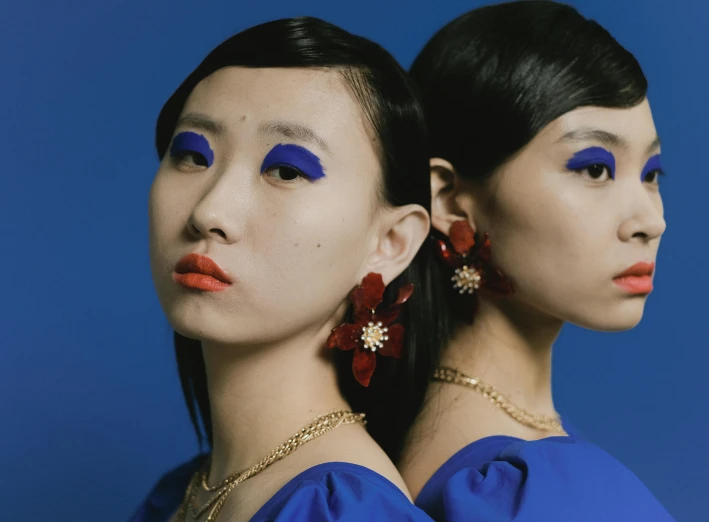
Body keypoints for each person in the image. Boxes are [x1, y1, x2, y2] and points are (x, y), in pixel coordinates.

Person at [129, 16, 440, 522]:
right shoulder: (183, 494)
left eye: (287, 170)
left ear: (390, 241)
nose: (210, 211)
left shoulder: (343, 511)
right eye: (191, 155)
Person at [399, 2, 675, 520]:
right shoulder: (544, 490)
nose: (649, 221)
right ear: (451, 199)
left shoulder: (382, 444)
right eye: (595, 168)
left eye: (652, 173)